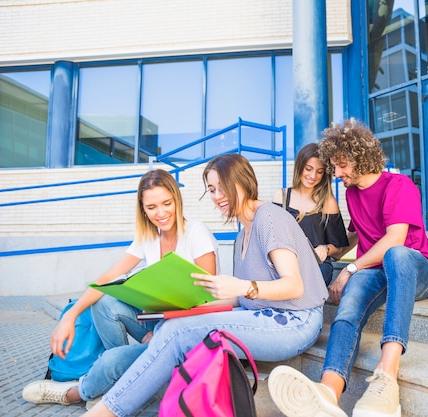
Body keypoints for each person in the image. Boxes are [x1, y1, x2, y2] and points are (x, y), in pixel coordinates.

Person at [83, 153, 328, 417]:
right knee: (172, 326)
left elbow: (294, 287)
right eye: (211, 189)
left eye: (223, 187)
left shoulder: (270, 216)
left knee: (177, 334)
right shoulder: (243, 232)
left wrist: (243, 287)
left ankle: (105, 411)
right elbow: (238, 297)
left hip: (295, 320)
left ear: (243, 182)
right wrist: (184, 312)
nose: (217, 196)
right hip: (263, 313)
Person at [268, 119, 428, 417]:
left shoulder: (399, 185)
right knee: (348, 309)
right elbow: (357, 234)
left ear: (362, 158)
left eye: (342, 165)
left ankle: (386, 378)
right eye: (334, 166)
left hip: (415, 269)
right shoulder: (351, 194)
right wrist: (325, 253)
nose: (336, 174)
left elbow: (394, 239)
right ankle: (327, 393)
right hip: (378, 271)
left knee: (396, 255)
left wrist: (350, 269)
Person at [22, 169, 219, 408]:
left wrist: (163, 330)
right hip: (159, 321)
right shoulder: (149, 236)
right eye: (152, 207)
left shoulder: (197, 233)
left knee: (110, 360)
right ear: (143, 209)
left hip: (187, 331)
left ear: (177, 199)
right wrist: (70, 317)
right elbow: (107, 278)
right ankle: (123, 385)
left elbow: (208, 302)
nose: (161, 213)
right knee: (103, 300)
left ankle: (73, 394)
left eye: (167, 203)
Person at [273, 142, 349, 285]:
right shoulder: (281, 197)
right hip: (286, 264)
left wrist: (325, 248)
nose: (313, 176)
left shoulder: (327, 201)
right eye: (308, 169)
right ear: (299, 167)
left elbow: (339, 247)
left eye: (320, 172)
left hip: (317, 267)